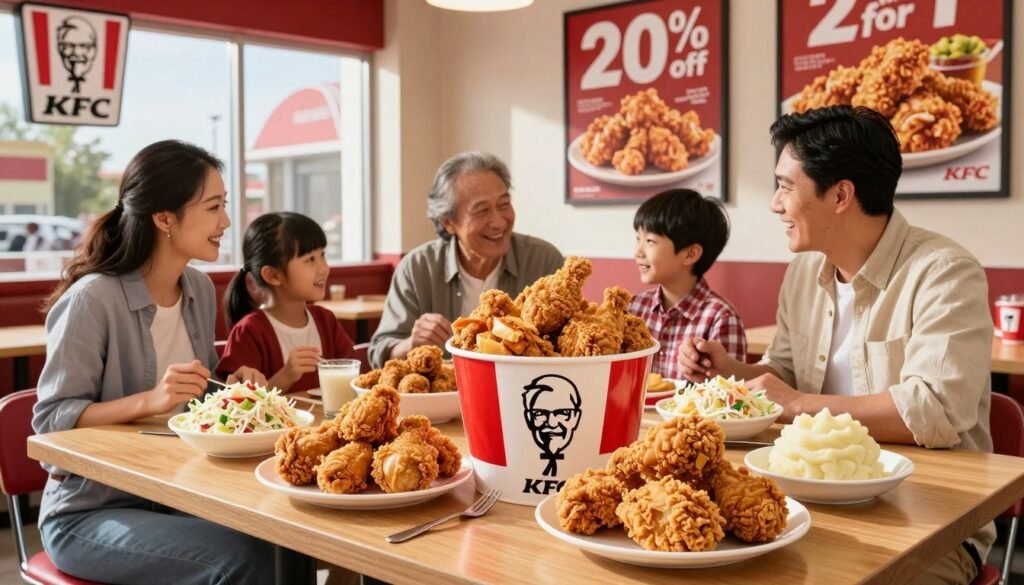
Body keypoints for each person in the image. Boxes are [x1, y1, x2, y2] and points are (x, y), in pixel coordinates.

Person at [678, 105, 994, 585]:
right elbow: (784, 370)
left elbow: (935, 410)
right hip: (809, 498)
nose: (774, 203)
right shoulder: (805, 270)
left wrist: (796, 404)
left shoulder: (944, 272)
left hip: (929, 517)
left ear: (841, 194)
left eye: (786, 186)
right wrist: (734, 372)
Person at [33, 140, 274, 584]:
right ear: (164, 218)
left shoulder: (199, 289)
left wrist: (230, 387)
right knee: (242, 557)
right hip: (88, 514)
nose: (225, 222)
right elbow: (50, 423)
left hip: (176, 492)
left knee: (283, 543)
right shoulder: (93, 300)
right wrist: (150, 400)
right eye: (213, 207)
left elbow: (194, 396)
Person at [368, 151, 564, 367]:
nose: (498, 222)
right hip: (441, 399)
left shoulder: (544, 262)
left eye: (504, 204)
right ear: (448, 223)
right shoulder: (417, 269)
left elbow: (569, 346)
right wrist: (411, 344)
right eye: (481, 211)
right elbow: (379, 353)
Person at [218, 212, 355, 393]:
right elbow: (239, 403)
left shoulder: (325, 320)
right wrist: (287, 375)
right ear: (273, 275)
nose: (324, 268)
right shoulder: (250, 331)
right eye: (310, 260)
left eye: (322, 255)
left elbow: (353, 377)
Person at [630, 188, 746, 380]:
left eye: (650, 241)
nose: (638, 252)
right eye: (638, 239)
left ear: (690, 254)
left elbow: (726, 396)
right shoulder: (633, 308)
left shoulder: (721, 318)